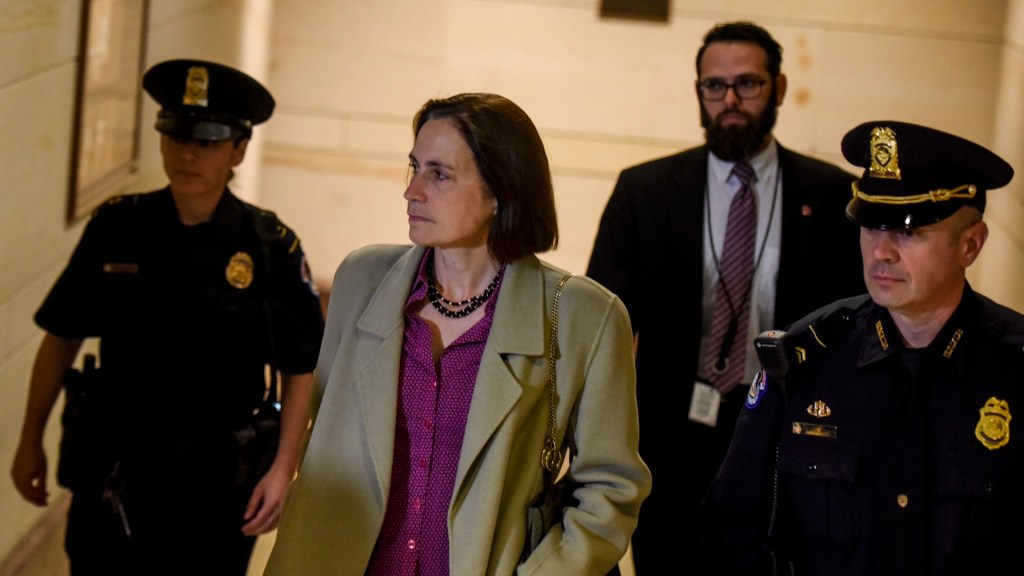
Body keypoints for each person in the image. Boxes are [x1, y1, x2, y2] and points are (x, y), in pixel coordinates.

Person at [264, 92, 651, 575]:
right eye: (414, 168)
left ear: (500, 193)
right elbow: (324, 432)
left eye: (439, 175)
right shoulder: (361, 279)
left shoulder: (585, 316)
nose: (412, 191)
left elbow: (610, 487)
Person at [9, 59, 325, 575]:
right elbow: (62, 335)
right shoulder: (117, 226)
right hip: (115, 469)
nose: (188, 154)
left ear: (238, 149)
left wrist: (285, 467)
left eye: (208, 142)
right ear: (160, 141)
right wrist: (29, 440)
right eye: (177, 137)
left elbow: (301, 367)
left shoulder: (268, 246)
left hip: (217, 482)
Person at [585, 21, 863, 572]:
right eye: (715, 86)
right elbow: (600, 332)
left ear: (779, 89)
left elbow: (851, 329)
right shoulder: (644, 192)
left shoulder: (831, 196)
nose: (730, 100)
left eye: (748, 84)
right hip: (668, 440)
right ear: (699, 93)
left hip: (783, 439)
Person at [701, 120, 1021, 575]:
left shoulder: (1013, 368)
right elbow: (733, 528)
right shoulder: (806, 358)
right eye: (871, 226)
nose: (881, 252)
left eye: (908, 233)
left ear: (970, 245)